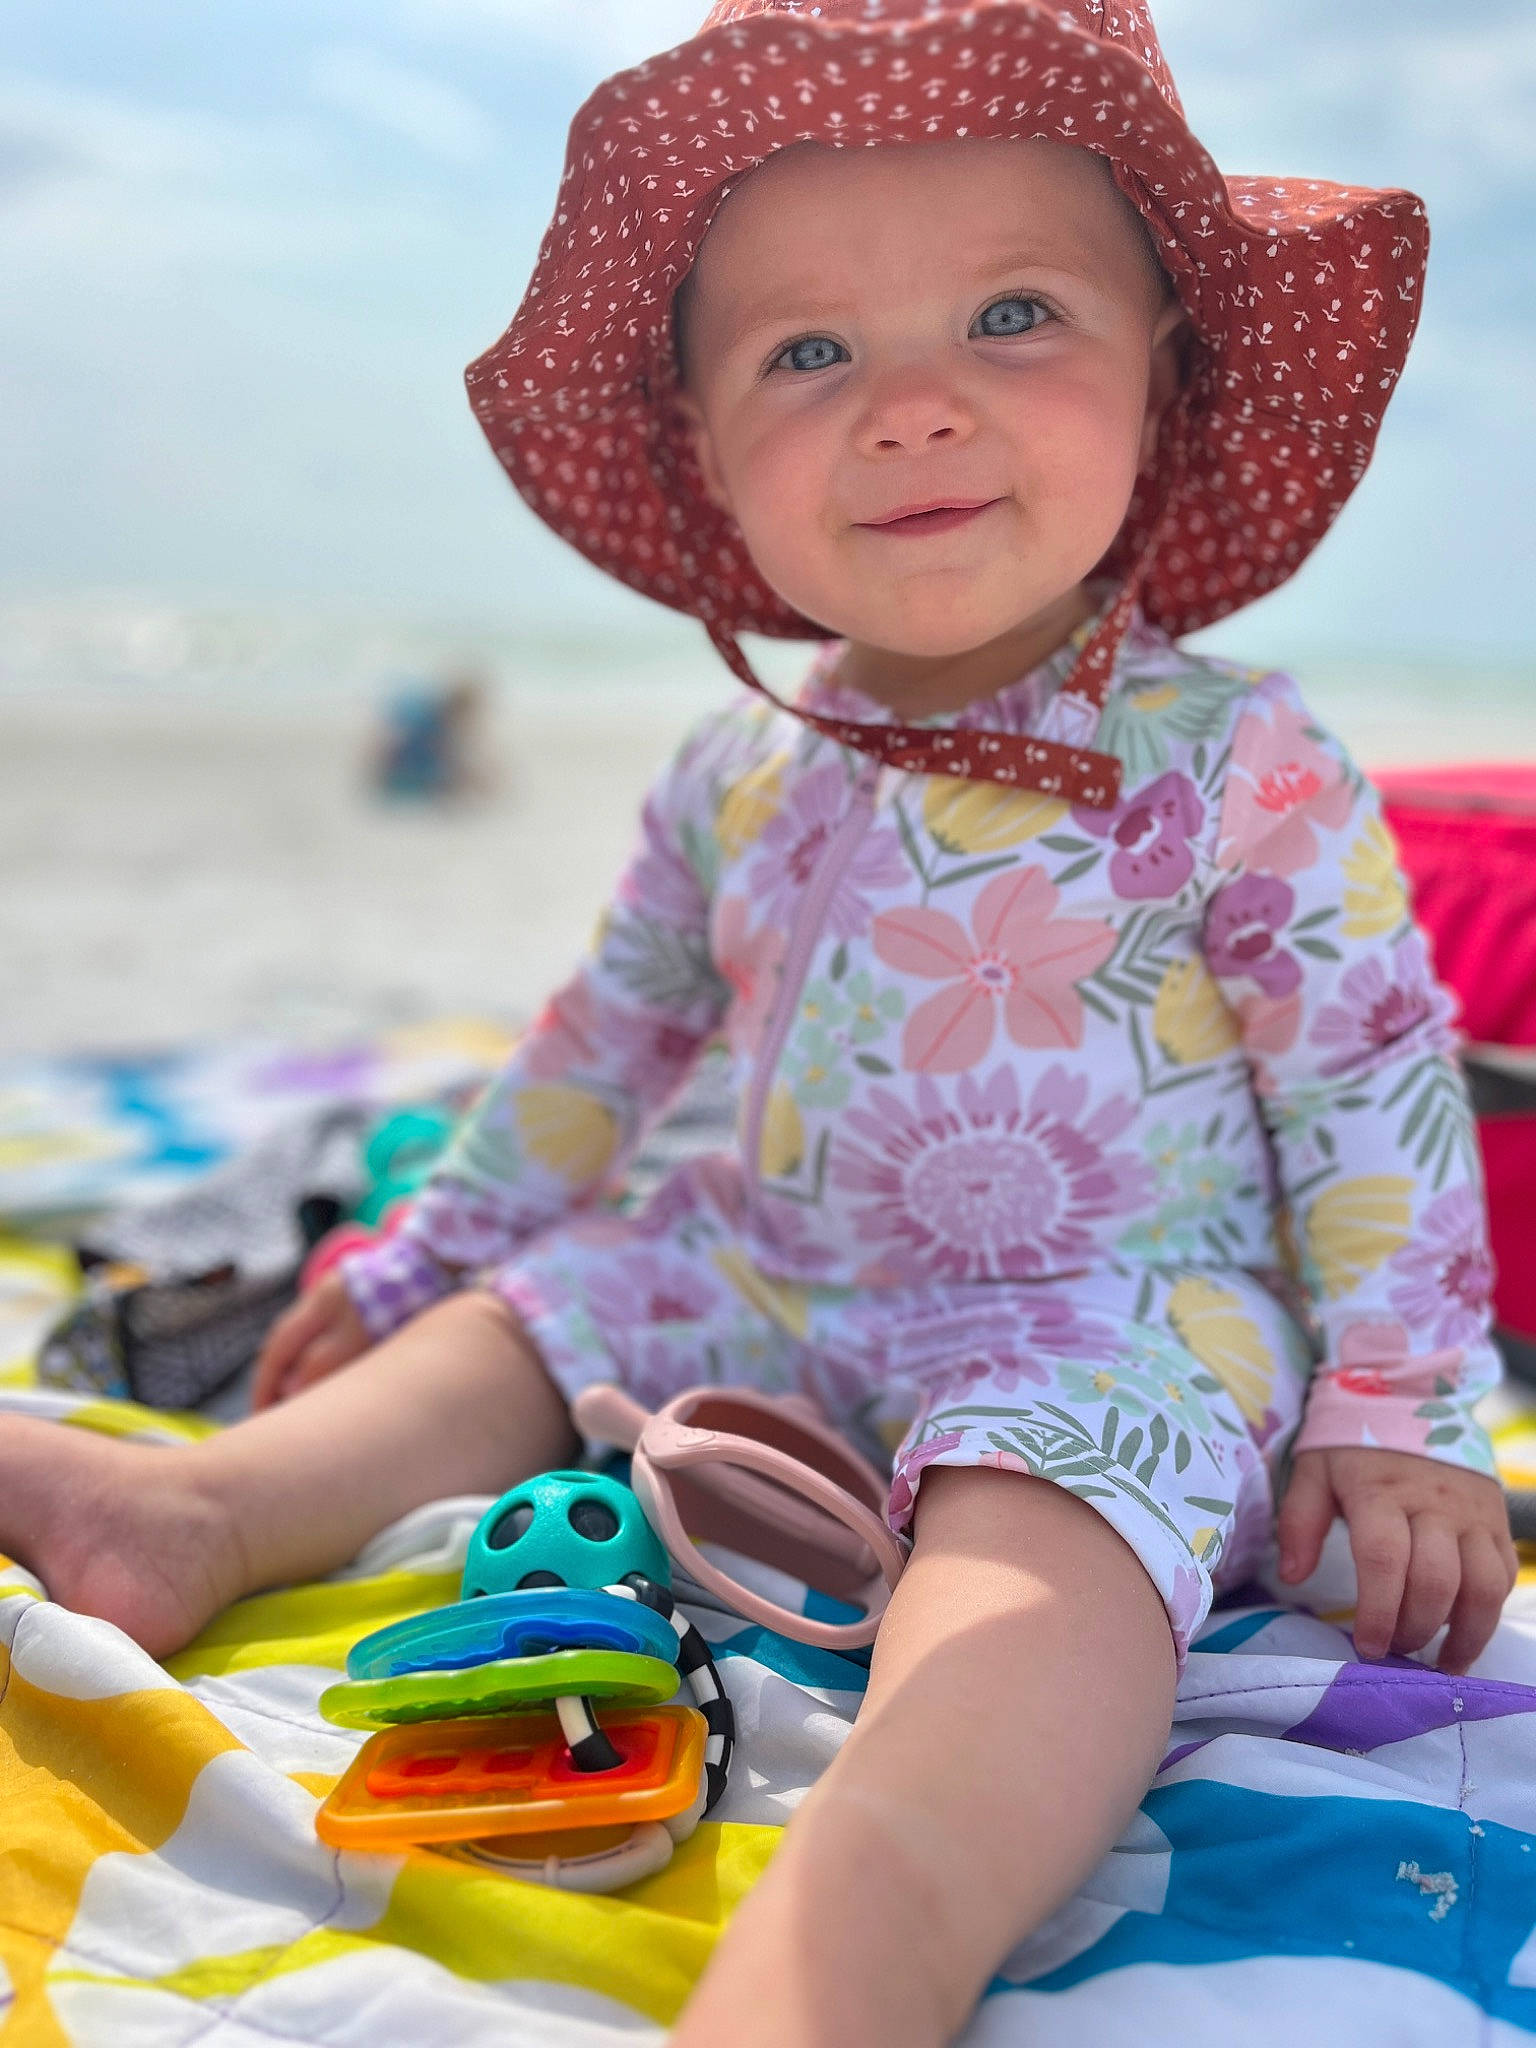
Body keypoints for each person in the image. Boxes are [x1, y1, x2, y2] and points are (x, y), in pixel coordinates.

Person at [0, 3, 1516, 2042]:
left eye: (1013, 315)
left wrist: (1400, 1408)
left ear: (1164, 376)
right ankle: (209, 1502)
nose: (910, 406)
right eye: (811, 353)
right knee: (551, 1297)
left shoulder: (1231, 755)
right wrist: (417, 1256)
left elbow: (1368, 1086)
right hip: (774, 1271)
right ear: (712, 454)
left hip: (1110, 1303)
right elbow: (592, 1055)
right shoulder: (740, 766)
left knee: (1054, 1537)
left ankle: (880, 1896)